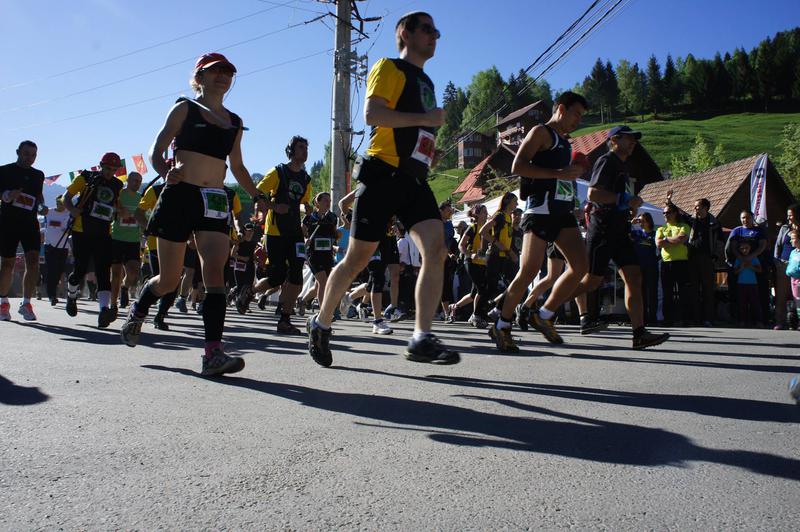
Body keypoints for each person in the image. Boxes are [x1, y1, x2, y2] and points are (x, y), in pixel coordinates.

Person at [307, 11, 459, 367]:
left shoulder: (426, 81)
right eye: (427, 30)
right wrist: (426, 120)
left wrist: (427, 148)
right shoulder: (389, 68)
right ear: (405, 33)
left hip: (414, 180)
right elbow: (374, 115)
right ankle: (321, 322)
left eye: (437, 31)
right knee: (356, 260)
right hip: (382, 176)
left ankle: (421, 338)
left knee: (436, 250)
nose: (435, 36)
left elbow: (411, 128)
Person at [120, 52, 267, 377]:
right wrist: (163, 169)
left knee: (214, 273)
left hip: (214, 199)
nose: (223, 77)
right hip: (180, 195)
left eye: (228, 72)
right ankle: (139, 308)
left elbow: (239, 167)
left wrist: (258, 195)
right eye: (216, 71)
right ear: (199, 77)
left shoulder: (234, 122)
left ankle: (212, 354)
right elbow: (156, 150)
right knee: (169, 280)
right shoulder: (185, 108)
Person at [489, 92, 589, 353]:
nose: (578, 120)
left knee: (580, 266)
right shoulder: (541, 132)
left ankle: (543, 314)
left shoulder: (566, 143)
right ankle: (502, 324)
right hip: (540, 210)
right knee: (529, 271)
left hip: (563, 211)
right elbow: (518, 166)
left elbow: (561, 179)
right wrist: (558, 173)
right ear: (561, 108)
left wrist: (571, 180)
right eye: (576, 114)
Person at [571, 126, 668, 349]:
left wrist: (629, 207)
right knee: (592, 282)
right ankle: (544, 307)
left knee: (634, 278)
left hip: (620, 229)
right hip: (603, 228)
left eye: (635, 139)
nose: (634, 142)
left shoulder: (624, 167)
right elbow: (594, 193)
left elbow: (618, 199)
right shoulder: (606, 161)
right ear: (614, 140)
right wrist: (623, 200)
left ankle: (639, 334)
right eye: (629, 138)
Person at [239, 135, 312, 334]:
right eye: (300, 147)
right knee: (277, 275)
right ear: (291, 151)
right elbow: (257, 195)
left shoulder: (306, 179)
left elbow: (305, 203)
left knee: (297, 275)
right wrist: (272, 206)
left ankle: (285, 319)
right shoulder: (278, 172)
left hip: (295, 232)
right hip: (275, 231)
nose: (304, 151)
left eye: (306, 148)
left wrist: (309, 210)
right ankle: (250, 291)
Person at [63, 152, 124, 327]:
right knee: (80, 270)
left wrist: (122, 212)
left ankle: (103, 310)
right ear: (100, 166)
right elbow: (66, 197)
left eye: (113, 169)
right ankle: (72, 296)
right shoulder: (86, 177)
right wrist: (72, 210)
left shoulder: (117, 184)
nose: (109, 172)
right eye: (107, 168)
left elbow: (117, 206)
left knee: (103, 272)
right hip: (81, 231)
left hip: (104, 233)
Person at [0, 140, 46, 321]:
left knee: (33, 261)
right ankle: (3, 302)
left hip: (30, 223)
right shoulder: (4, 171)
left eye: (33, 155)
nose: (30, 158)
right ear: (18, 152)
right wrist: (7, 196)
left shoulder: (38, 175)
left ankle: (26, 303)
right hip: (8, 222)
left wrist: (42, 205)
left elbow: (38, 194)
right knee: (7, 264)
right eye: (26, 154)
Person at [110, 171, 143, 320]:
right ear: (128, 181)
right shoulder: (119, 195)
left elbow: (144, 216)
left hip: (133, 241)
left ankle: (125, 287)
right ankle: (113, 305)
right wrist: (118, 210)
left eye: (139, 181)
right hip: (116, 239)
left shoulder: (141, 198)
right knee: (115, 273)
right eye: (134, 180)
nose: (137, 183)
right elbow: (110, 210)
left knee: (133, 273)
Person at [726, 210, 768, 324]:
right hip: (740, 265)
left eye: (747, 217)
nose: (745, 220)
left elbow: (763, 245)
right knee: (741, 299)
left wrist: (752, 256)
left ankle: (760, 320)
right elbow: (733, 247)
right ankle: (740, 319)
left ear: (752, 218)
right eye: (743, 218)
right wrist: (741, 258)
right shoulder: (736, 231)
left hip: (755, 264)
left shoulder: (759, 231)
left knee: (757, 298)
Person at [452, 204, 489, 328]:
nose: (486, 213)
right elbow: (461, 245)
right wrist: (470, 254)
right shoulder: (472, 228)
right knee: (481, 289)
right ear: (477, 214)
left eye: (486, 211)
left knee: (474, 294)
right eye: (484, 212)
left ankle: (455, 307)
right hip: (471, 262)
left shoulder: (487, 228)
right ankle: (476, 316)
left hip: (483, 262)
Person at [656, 204, 692, 326]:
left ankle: (685, 319)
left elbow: (681, 240)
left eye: (668, 212)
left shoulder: (684, 226)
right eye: (664, 213)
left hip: (681, 262)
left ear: (675, 213)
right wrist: (673, 240)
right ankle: (668, 319)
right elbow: (659, 244)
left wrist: (667, 240)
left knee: (683, 292)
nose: (665, 215)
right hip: (666, 263)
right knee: (667, 293)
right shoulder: (661, 229)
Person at [630, 212, 659, 325]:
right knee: (641, 294)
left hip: (652, 267)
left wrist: (657, 259)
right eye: (640, 221)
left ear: (649, 221)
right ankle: (643, 318)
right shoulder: (636, 233)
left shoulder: (655, 234)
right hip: (639, 268)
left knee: (652, 292)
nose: (641, 223)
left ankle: (653, 318)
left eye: (643, 221)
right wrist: (631, 223)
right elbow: (623, 234)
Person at [773, 205, 799, 329]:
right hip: (783, 264)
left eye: (791, 215)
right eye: (788, 214)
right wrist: (777, 261)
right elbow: (777, 245)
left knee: (797, 295)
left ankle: (796, 322)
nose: (788, 217)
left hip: (798, 266)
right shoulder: (784, 228)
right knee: (781, 295)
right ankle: (780, 321)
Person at [43, 195, 71, 305]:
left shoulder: (69, 214)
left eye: (62, 203)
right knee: (51, 270)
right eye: (59, 203)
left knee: (59, 271)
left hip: (63, 247)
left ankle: (55, 291)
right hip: (50, 246)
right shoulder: (49, 212)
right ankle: (51, 295)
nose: (61, 205)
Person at [733, 241, 762, 327]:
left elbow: (759, 270)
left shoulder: (754, 258)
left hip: (753, 283)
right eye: (742, 248)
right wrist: (741, 267)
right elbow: (735, 272)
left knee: (755, 303)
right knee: (742, 304)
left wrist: (751, 266)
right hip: (741, 284)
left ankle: (758, 321)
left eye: (746, 248)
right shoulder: (739, 259)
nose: (744, 250)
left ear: (750, 248)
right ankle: (742, 321)